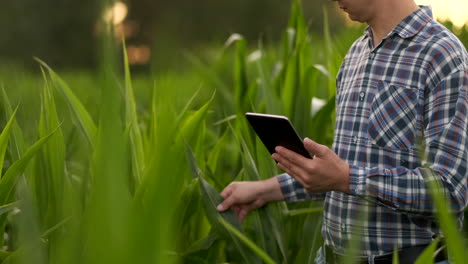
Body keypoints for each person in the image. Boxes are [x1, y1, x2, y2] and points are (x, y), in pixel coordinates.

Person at [217, 0, 468, 263]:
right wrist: (264, 190)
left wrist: (348, 179)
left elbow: (450, 191)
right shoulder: (356, 54)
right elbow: (342, 170)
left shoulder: (443, 55)